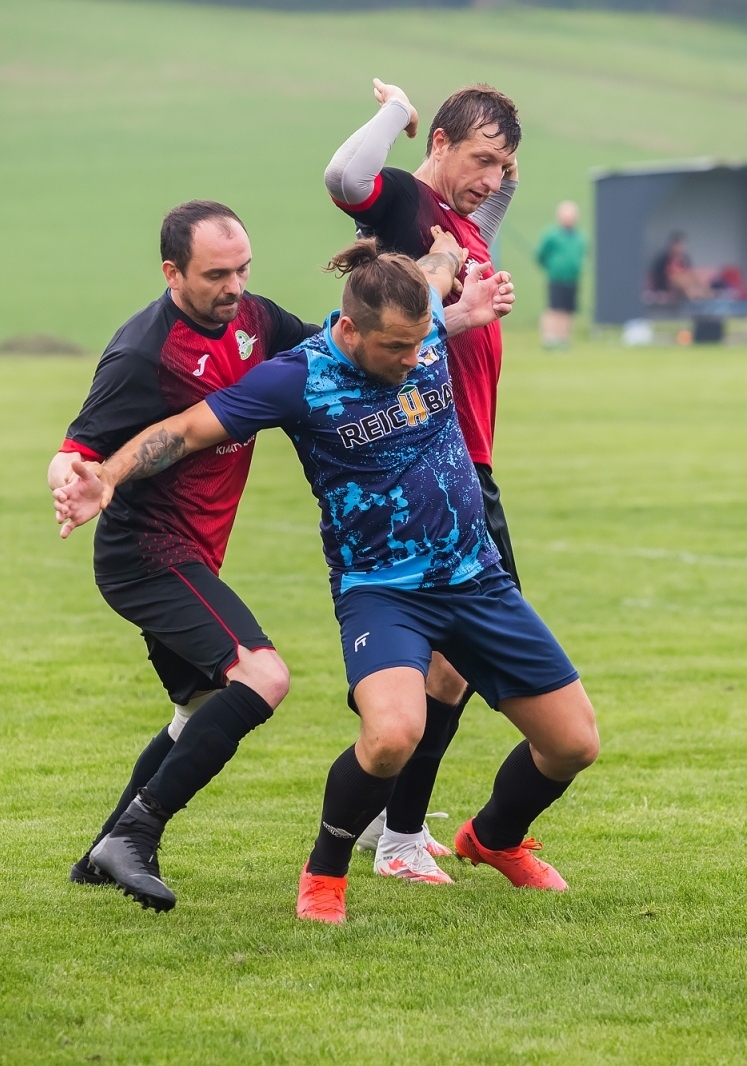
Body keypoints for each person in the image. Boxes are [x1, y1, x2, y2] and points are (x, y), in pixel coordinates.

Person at [58, 237, 599, 925]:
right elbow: (187, 430)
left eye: (420, 343)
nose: (414, 359)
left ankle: (493, 837)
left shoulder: (421, 320)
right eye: (395, 348)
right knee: (393, 734)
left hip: (476, 577)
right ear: (348, 329)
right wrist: (105, 475)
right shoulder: (296, 378)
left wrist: (445, 250)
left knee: (574, 744)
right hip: (383, 591)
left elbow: (435, 271)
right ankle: (325, 871)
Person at [46, 200, 319, 912]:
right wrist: (73, 481)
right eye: (216, 275)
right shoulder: (143, 353)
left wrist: (454, 316)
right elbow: (75, 448)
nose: (235, 287)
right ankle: (135, 837)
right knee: (263, 676)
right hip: (146, 553)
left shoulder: (255, 319)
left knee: (198, 711)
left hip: (192, 554)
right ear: (172, 273)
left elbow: (333, 352)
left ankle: (101, 855)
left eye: (243, 269)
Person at [322, 79, 524, 885]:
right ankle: (397, 833)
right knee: (462, 652)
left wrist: (498, 157)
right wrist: (397, 112)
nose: (492, 178)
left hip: (465, 456)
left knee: (451, 659)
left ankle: (389, 821)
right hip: (442, 457)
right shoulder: (410, 205)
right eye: (480, 159)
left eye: (503, 165)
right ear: (438, 143)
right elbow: (345, 178)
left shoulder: (461, 224)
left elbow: (494, 199)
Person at [536, 200, 585, 349]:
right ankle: (550, 338)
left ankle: (564, 338)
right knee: (554, 308)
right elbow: (541, 255)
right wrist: (551, 267)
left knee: (568, 309)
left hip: (572, 278)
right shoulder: (552, 235)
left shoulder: (580, 237)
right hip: (556, 278)